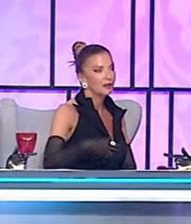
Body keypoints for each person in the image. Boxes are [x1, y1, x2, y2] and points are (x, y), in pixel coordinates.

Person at [43, 41, 137, 169]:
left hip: (112, 183)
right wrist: (86, 148)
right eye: (98, 70)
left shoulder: (116, 114)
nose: (109, 76)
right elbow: (50, 162)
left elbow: (130, 168)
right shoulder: (68, 112)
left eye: (111, 68)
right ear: (81, 77)